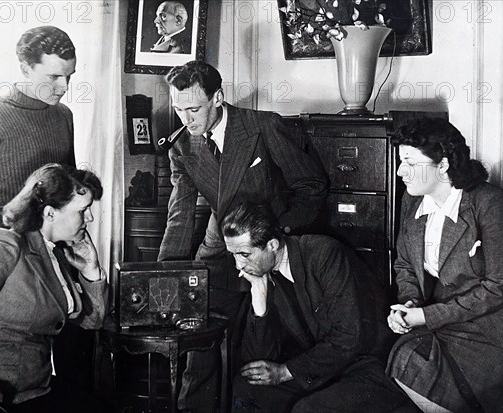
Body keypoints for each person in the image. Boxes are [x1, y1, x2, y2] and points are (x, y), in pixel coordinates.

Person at [157, 61, 328, 411]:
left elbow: (310, 186)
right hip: (218, 249)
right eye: (178, 109)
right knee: (199, 349)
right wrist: (164, 275)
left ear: (218, 97)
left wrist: (278, 236)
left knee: (263, 348)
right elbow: (180, 215)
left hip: (271, 249)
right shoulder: (181, 147)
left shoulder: (263, 126)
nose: (186, 120)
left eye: (193, 109)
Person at [386, 118, 503, 413]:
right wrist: (409, 304)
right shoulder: (412, 200)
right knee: (403, 355)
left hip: (498, 329)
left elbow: (497, 288)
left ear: (442, 166)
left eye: (409, 162)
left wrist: (426, 316)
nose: (399, 171)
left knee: (411, 362)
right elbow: (405, 264)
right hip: (449, 319)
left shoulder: (489, 202)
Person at [222, 202, 416, 413]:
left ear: (272, 245)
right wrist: (259, 298)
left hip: (366, 366)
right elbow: (257, 361)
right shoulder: (265, 274)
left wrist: (285, 371)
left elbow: (350, 337)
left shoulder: (324, 254)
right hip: (322, 368)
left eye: (244, 254)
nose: (238, 266)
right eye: (233, 255)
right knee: (246, 388)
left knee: (308, 410)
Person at [0, 163, 108, 413]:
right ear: (50, 213)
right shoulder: (6, 245)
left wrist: (91, 271)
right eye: (84, 210)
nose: (89, 218)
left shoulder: (54, 253)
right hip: (4, 399)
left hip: (36, 387)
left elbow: (92, 321)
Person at [0, 25, 77, 255]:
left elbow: (70, 189)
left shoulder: (64, 115)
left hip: (59, 251)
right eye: (54, 77)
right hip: (9, 249)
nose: (64, 86)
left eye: (69, 76)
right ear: (26, 69)